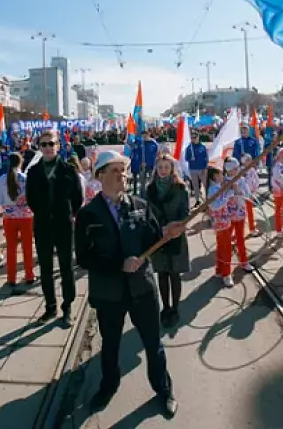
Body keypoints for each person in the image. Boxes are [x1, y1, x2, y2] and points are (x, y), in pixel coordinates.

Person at [74, 150, 181, 417]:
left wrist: (171, 234)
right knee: (110, 346)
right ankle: (108, 386)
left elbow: (156, 240)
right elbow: (85, 257)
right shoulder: (88, 215)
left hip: (142, 289)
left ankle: (163, 388)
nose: (122, 175)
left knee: (153, 343)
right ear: (99, 176)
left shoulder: (140, 206)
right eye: (114, 170)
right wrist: (118, 265)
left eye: (123, 170)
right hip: (109, 294)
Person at [25, 130, 84, 325]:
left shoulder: (68, 170)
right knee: (46, 268)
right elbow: (30, 199)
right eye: (44, 145)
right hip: (42, 225)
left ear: (58, 145)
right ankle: (50, 306)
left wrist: (65, 213)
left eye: (51, 144)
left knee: (67, 267)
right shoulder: (33, 171)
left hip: (64, 225)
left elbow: (78, 198)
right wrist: (43, 213)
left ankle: (67, 306)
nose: (48, 148)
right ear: (39, 148)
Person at [145, 153, 190, 328]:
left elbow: (185, 211)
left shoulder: (180, 188)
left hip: (176, 235)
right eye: (160, 167)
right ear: (156, 169)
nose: (163, 170)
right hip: (158, 236)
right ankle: (165, 307)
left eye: (166, 167)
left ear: (172, 168)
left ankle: (175, 308)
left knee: (174, 273)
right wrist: (159, 228)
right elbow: (148, 212)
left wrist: (176, 226)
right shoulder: (150, 189)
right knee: (162, 273)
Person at [0, 153, 35, 290]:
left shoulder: (1, 179)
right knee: (27, 247)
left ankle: (11, 278)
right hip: (26, 217)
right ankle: (29, 275)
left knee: (11, 249)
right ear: (21, 163)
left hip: (9, 218)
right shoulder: (26, 178)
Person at [240, 154, 261, 236]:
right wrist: (246, 193)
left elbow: (257, 180)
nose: (250, 161)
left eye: (250, 159)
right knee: (241, 212)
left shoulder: (252, 170)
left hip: (251, 194)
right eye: (247, 160)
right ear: (243, 162)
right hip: (243, 195)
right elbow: (241, 183)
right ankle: (240, 230)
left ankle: (252, 228)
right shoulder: (241, 171)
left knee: (250, 211)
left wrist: (254, 190)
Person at [185, 132, 208, 204]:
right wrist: (190, 158)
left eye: (195, 137)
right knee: (195, 186)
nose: (194, 139)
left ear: (198, 137)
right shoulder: (189, 148)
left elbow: (206, 158)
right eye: (192, 138)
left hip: (202, 169)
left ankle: (208, 199)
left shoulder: (203, 146)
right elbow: (186, 158)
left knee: (205, 185)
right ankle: (197, 200)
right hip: (193, 169)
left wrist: (205, 168)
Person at [270, 149, 283, 232]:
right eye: (282, 156)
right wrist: (278, 187)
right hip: (278, 191)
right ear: (278, 156)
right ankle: (278, 229)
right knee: (278, 209)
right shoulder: (276, 166)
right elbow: (274, 178)